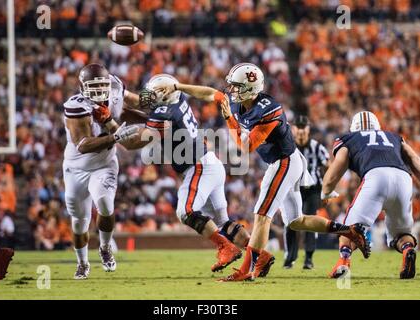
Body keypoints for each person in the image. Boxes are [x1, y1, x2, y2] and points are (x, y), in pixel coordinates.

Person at [156, 63, 370, 281]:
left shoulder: (268, 109)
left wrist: (229, 119)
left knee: (261, 216)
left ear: (251, 88)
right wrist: (178, 86)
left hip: (284, 162)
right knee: (296, 221)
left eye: (237, 87)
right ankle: (349, 231)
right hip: (283, 161)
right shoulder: (240, 102)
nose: (232, 90)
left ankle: (246, 271)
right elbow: (211, 93)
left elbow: (246, 146)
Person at [124, 74, 252, 273]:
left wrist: (111, 128)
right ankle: (258, 255)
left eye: (154, 93)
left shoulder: (164, 111)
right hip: (209, 164)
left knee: (186, 211)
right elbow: (143, 107)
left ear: (164, 96)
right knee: (224, 222)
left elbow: (135, 141)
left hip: (199, 167)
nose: (149, 97)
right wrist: (120, 99)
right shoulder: (178, 99)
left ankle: (225, 247)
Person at [62, 63, 139, 279]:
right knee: (79, 221)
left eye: (102, 86)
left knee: (105, 205)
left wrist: (156, 112)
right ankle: (82, 263)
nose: (99, 91)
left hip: (104, 164)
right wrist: (115, 137)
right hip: (76, 167)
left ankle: (105, 248)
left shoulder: (115, 87)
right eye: (93, 87)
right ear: (82, 87)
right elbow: (83, 145)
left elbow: (131, 106)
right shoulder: (76, 106)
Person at [322, 111, 419, 279]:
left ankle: (344, 262)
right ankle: (408, 250)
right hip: (403, 179)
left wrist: (326, 191)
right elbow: (414, 159)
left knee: (349, 230)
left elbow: (335, 170)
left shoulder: (349, 138)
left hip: (375, 177)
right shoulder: (393, 137)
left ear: (354, 128)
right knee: (401, 233)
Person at [283, 115, 330, 269]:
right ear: (293, 129)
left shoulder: (317, 147)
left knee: (309, 221)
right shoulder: (287, 146)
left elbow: (328, 167)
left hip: (312, 190)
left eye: (304, 127)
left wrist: (327, 191)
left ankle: (308, 258)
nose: (301, 130)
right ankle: (290, 257)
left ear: (308, 129)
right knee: (291, 222)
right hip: (294, 188)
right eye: (298, 127)